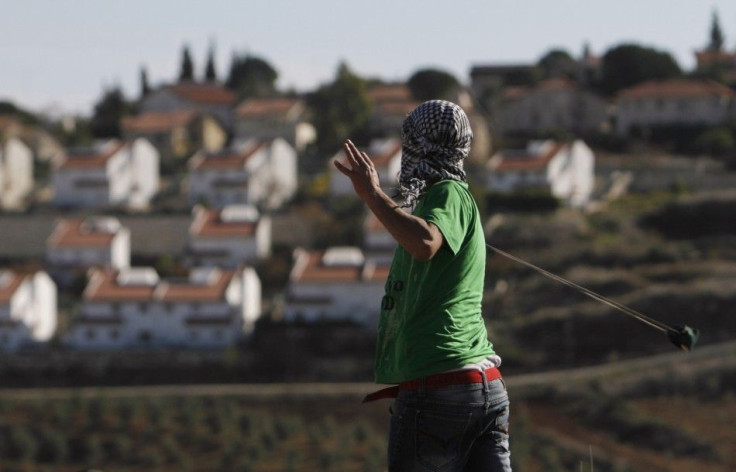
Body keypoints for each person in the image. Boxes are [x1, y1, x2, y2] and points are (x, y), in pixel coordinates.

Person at [334, 100, 511, 472]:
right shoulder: (450, 202)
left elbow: (425, 244)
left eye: (409, 142)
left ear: (419, 145)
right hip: (482, 385)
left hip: (440, 386)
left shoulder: (447, 194)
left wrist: (372, 195)